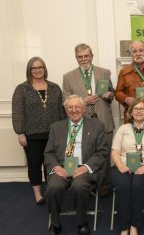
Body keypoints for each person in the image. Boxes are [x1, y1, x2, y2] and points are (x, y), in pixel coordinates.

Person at [44, 95, 108, 235]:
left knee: (79, 186)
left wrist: (85, 168)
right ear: (66, 110)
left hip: (84, 167)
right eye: (70, 107)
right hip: (62, 167)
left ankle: (81, 222)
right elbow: (48, 153)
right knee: (53, 187)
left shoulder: (97, 125)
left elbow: (102, 152)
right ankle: (55, 223)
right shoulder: (56, 127)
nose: (74, 110)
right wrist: (56, 167)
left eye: (77, 107)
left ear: (84, 109)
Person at [63, 43, 115, 197]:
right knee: (87, 154)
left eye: (86, 56)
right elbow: (65, 100)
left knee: (104, 155)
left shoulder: (104, 72)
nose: (83, 59)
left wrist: (109, 96)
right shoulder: (68, 77)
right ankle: (89, 183)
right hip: (81, 122)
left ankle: (104, 184)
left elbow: (111, 93)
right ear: (76, 58)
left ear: (92, 56)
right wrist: (83, 101)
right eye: (80, 57)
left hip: (104, 119)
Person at [12, 57, 65, 206]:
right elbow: (17, 112)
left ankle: (52, 190)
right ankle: (38, 194)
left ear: (44, 68)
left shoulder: (54, 88)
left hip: (53, 134)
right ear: (29, 70)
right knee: (35, 164)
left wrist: (65, 131)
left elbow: (61, 111)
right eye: (33, 68)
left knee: (52, 164)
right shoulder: (22, 89)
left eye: (40, 67)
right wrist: (20, 132)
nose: (37, 70)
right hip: (31, 135)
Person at [110, 98, 144, 235]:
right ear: (130, 112)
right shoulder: (123, 128)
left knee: (137, 185)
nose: (139, 111)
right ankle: (124, 227)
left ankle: (134, 225)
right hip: (123, 166)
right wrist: (120, 166)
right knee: (123, 186)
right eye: (135, 109)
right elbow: (115, 152)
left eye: (142, 109)